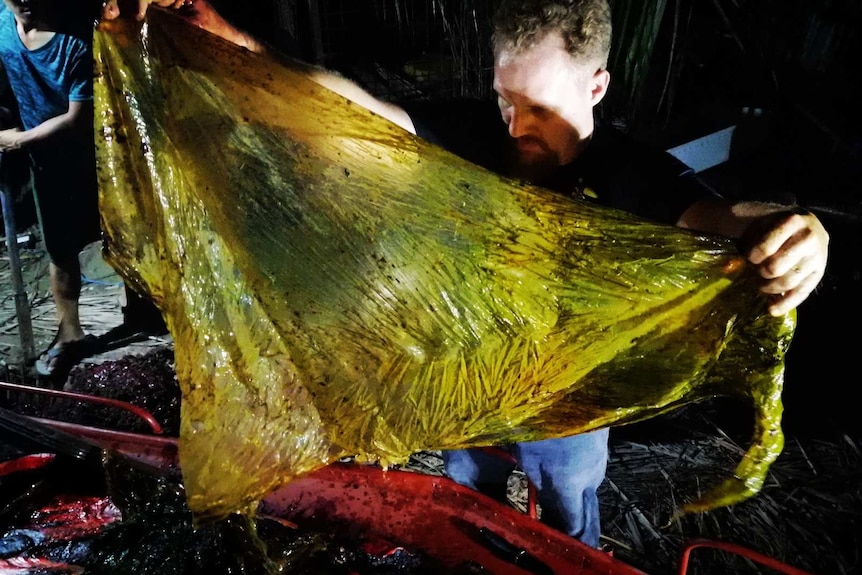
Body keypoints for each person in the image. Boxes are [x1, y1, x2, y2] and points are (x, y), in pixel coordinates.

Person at [105, 0, 830, 550]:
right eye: (503, 98)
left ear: (598, 86)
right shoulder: (477, 137)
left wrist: (791, 230)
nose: (517, 124)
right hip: (468, 378)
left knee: (569, 505)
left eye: (540, 107)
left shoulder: (627, 171)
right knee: (466, 497)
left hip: (570, 402)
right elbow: (349, 108)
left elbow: (716, 217)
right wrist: (213, 34)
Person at [0, 0, 168, 385]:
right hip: (44, 160)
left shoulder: (78, 40)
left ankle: (144, 313)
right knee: (59, 249)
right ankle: (70, 331)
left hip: (97, 153)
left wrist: (19, 139)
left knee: (124, 235)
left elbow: (78, 118)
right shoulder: (2, 21)